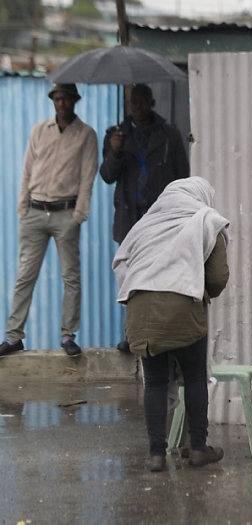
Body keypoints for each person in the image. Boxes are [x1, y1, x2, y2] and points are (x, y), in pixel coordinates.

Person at [112, 177, 229, 471]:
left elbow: (121, 263)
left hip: (139, 306)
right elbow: (216, 278)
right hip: (183, 304)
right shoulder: (206, 220)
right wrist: (196, 290)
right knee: (193, 376)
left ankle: (156, 455)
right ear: (202, 196)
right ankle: (200, 447)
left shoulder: (144, 224)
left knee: (154, 380)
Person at [0, 83, 98, 358]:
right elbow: (27, 170)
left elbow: (87, 178)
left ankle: (68, 336)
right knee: (24, 278)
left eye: (67, 98)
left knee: (71, 278)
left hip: (65, 213)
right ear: (52, 100)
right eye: (57, 98)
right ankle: (13, 336)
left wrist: (78, 215)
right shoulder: (38, 131)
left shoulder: (86, 135)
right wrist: (22, 208)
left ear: (75, 100)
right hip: (34, 212)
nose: (62, 103)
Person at [99, 83, 189, 352]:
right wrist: (115, 151)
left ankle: (162, 334)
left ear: (151, 102)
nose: (136, 106)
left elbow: (182, 175)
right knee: (131, 278)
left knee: (162, 275)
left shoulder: (168, 134)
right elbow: (106, 176)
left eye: (141, 101)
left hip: (160, 218)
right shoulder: (115, 135)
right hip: (129, 219)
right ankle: (133, 335)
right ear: (128, 104)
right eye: (132, 101)